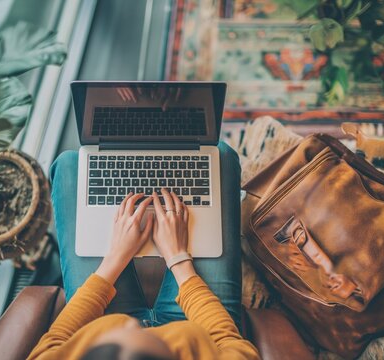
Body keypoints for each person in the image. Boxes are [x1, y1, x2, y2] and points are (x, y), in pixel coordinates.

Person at [28, 143, 260, 360]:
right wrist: (179, 259)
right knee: (220, 155)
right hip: (195, 325)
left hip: (103, 305)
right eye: (146, 335)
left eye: (125, 329)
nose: (132, 323)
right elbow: (229, 342)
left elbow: (54, 342)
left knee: (70, 165)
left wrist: (115, 259)